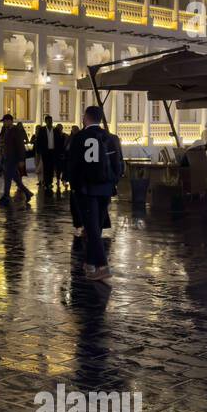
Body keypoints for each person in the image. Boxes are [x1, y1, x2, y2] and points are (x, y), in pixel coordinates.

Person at [67, 106, 124, 283]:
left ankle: (102, 266)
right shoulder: (110, 137)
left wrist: (72, 183)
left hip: (87, 188)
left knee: (91, 227)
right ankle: (90, 262)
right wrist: (113, 181)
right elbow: (118, 163)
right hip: (105, 187)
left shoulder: (80, 137)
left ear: (86, 118)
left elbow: (72, 163)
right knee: (96, 226)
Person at [0, 113, 31, 203]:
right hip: (7, 157)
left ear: (9, 121)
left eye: (4, 121)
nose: (3, 123)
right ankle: (27, 193)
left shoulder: (16, 130)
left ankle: (6, 196)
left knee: (7, 177)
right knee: (16, 179)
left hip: (13, 158)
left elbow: (20, 146)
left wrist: (21, 160)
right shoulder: (6, 130)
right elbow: (3, 141)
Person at [32, 114, 59, 191]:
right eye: (48, 121)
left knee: (51, 168)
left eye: (51, 121)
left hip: (53, 152)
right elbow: (39, 141)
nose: (50, 122)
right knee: (46, 168)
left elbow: (58, 141)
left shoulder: (55, 130)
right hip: (45, 152)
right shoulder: (42, 130)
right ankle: (46, 182)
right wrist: (38, 151)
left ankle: (50, 182)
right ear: (45, 121)